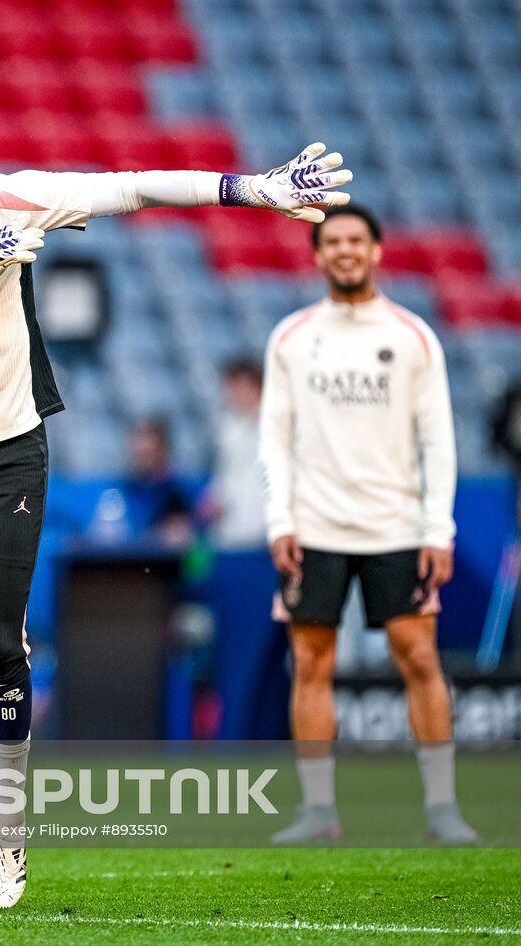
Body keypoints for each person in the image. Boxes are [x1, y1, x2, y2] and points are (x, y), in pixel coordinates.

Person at [0, 102, 352, 908]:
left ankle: (7, 837)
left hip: (7, 453)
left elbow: (131, 190)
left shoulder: (1, 200)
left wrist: (247, 188)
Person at [260, 205, 475, 844]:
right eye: (333, 242)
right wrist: (281, 519)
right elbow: (274, 437)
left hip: (397, 529)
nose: (346, 250)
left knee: (418, 656)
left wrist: (440, 529)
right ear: (318, 255)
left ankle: (442, 809)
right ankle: (320, 813)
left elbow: (439, 438)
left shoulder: (413, 337)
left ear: (377, 251)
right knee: (311, 663)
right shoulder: (293, 338)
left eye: (356, 240)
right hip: (316, 528)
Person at [203, 358, 267, 550]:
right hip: (231, 530)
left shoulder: (277, 426)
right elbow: (226, 474)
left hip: (263, 529)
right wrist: (216, 497)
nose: (232, 395)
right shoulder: (227, 428)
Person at [122, 417, 194, 546]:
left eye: (147, 454)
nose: (141, 460)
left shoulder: (175, 493)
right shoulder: (127, 488)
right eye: (138, 455)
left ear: (162, 450)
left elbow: (179, 541)